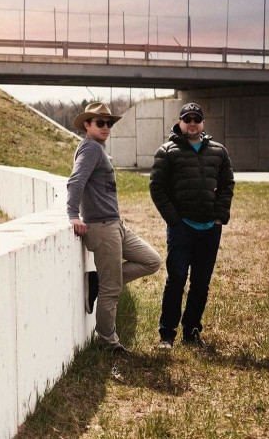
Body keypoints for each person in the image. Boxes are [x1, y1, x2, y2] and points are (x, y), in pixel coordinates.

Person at [67, 102, 161, 354]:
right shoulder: (90, 148)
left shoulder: (97, 149)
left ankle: (99, 279)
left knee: (151, 261)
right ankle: (108, 342)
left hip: (115, 224)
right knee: (111, 291)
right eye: (100, 122)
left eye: (109, 123)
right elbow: (76, 181)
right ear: (87, 125)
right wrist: (72, 215)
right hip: (101, 227)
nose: (106, 127)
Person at [149, 102, 235, 349]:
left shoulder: (219, 151)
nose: (192, 123)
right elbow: (157, 188)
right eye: (188, 119)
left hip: (210, 228)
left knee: (201, 282)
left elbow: (227, 184)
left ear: (203, 124)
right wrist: (174, 220)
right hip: (181, 228)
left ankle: (192, 332)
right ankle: (167, 334)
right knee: (176, 279)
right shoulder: (166, 151)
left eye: (197, 119)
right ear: (180, 122)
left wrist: (220, 217)